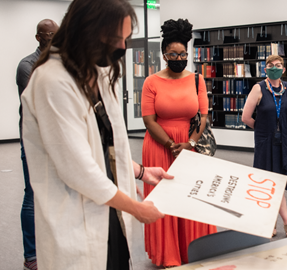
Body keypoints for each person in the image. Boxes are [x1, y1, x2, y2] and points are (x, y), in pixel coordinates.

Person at [21, 0, 172, 269]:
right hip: (77, 218)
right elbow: (78, 170)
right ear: (86, 30)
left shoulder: (97, 73)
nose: (122, 48)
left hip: (109, 213)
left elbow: (105, 143)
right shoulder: (51, 82)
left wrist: (139, 171)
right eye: (116, 39)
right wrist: (136, 208)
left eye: (126, 39)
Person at [141, 18, 216, 267]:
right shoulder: (151, 82)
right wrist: (171, 145)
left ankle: (193, 250)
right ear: (164, 55)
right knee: (165, 199)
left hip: (189, 145)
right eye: (173, 54)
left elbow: (203, 116)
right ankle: (168, 254)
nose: (178, 57)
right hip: (159, 145)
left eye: (183, 53)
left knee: (192, 197)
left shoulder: (197, 79)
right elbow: (149, 120)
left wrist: (190, 144)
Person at [242, 55, 287, 238]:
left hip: (285, 142)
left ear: (283, 70)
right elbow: (245, 117)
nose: (274, 68)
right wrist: (263, 129)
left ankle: (271, 223)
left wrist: (286, 114)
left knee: (278, 184)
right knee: (272, 184)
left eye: (278, 65)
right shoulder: (258, 88)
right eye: (270, 65)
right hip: (266, 143)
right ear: (265, 69)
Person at [15, 18, 58, 270]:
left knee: (57, 195)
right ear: (38, 37)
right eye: (48, 34)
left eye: (56, 34)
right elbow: (41, 103)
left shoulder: (60, 63)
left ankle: (50, 248)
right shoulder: (27, 66)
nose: (53, 38)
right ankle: (31, 256)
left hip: (58, 140)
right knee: (32, 196)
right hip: (34, 141)